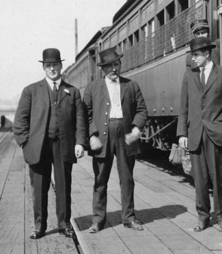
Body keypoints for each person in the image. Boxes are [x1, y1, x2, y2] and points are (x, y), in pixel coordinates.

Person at [13, 48, 88, 239]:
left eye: (55, 65)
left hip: (64, 144)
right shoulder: (31, 91)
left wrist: (80, 143)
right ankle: (40, 226)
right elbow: (20, 120)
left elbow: (80, 120)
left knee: (63, 186)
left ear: (61, 66)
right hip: (39, 147)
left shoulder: (72, 92)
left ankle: (64, 224)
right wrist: (25, 143)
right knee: (39, 187)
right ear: (44, 68)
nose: (52, 68)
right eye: (48, 65)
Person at [177, 37, 222, 232]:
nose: (194, 59)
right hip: (195, 134)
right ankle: (202, 217)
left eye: (197, 55)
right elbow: (183, 106)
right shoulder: (188, 75)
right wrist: (182, 133)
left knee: (219, 179)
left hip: (217, 134)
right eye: (192, 55)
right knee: (199, 180)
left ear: (207, 54)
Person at [83, 47, 148, 233]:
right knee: (100, 179)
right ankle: (98, 220)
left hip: (126, 136)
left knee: (127, 179)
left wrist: (136, 128)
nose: (114, 69)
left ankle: (129, 218)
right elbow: (85, 114)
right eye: (109, 66)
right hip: (102, 137)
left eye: (116, 64)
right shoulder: (93, 88)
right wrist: (92, 135)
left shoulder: (131, 85)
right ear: (102, 69)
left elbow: (142, 110)